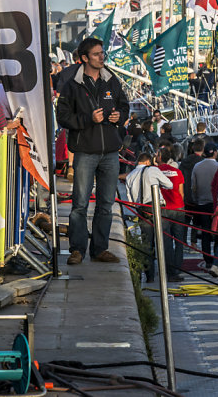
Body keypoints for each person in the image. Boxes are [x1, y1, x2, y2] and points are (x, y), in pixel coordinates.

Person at [56, 36, 130, 265]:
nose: (102, 57)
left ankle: (101, 248)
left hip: (109, 151)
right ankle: (77, 249)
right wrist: (88, 119)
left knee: (106, 204)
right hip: (85, 151)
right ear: (85, 58)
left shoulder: (111, 80)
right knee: (79, 204)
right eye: (97, 54)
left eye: (102, 53)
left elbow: (124, 105)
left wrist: (120, 116)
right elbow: (63, 117)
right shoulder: (72, 85)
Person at [123, 152, 171, 282]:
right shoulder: (153, 170)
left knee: (147, 244)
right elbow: (169, 185)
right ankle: (169, 272)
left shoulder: (130, 176)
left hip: (141, 210)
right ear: (148, 161)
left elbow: (130, 199)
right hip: (156, 208)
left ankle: (149, 275)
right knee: (164, 240)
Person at [157, 146, 187, 282]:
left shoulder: (155, 172)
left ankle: (169, 270)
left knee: (166, 241)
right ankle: (177, 267)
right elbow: (181, 193)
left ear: (159, 157)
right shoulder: (177, 171)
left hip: (164, 209)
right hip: (178, 207)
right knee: (179, 240)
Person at [189, 144, 218, 269]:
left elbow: (193, 186)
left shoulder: (197, 167)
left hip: (201, 203)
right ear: (215, 153)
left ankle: (207, 259)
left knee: (205, 232)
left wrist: (196, 199)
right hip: (216, 204)